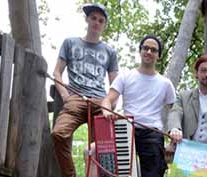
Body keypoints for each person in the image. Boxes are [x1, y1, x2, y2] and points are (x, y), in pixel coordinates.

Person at [51, 3, 118, 177]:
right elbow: (57, 71)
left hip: (99, 101)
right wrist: (65, 96)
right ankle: (70, 175)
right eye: (93, 18)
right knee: (58, 134)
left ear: (104, 25)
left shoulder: (109, 51)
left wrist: (110, 105)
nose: (96, 22)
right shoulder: (70, 43)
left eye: (101, 20)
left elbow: (115, 83)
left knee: (102, 147)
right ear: (87, 19)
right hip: (76, 99)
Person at [101, 35, 176, 177]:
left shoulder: (165, 83)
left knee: (154, 171)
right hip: (127, 129)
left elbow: (175, 112)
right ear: (140, 51)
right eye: (145, 48)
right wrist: (106, 111)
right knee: (115, 169)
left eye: (153, 50)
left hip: (152, 132)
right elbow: (107, 100)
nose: (148, 52)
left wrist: (173, 139)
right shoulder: (125, 76)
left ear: (158, 55)